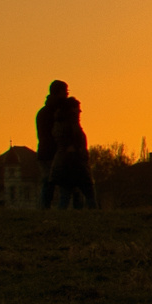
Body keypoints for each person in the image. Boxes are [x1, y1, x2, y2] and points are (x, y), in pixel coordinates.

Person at [36, 80, 96, 210]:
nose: (67, 94)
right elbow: (56, 135)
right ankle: (50, 208)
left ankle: (45, 208)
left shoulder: (44, 112)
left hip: (47, 153)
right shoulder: (59, 114)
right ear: (59, 92)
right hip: (56, 154)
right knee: (62, 184)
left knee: (55, 184)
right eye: (65, 91)